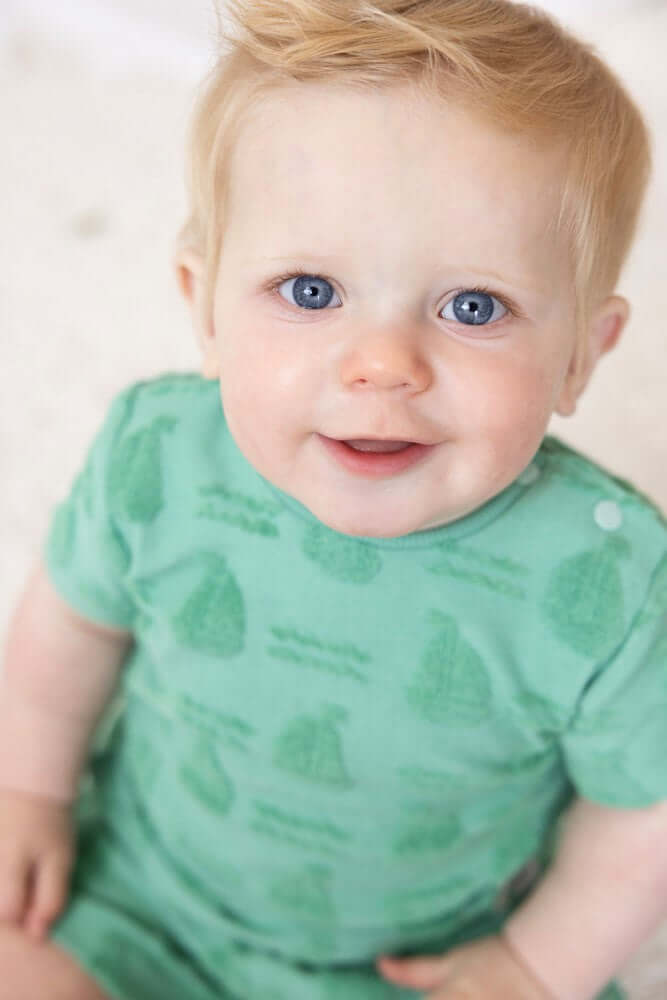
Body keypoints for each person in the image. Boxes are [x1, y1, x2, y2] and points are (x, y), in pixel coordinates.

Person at [0, 1, 665, 997]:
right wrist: (29, 787)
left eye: (471, 307)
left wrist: (535, 963)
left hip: (404, 965)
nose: (381, 365)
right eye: (310, 291)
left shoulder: (605, 576)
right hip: (139, 892)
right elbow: (69, 634)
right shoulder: (161, 458)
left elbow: (643, 808)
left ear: (580, 355)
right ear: (203, 302)